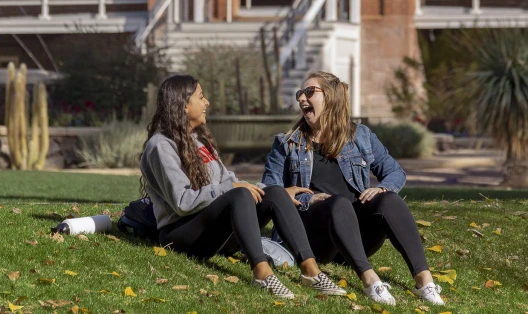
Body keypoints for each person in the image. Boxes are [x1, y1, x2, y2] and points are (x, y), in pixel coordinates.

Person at [139, 74, 345, 299]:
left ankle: (310, 271)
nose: (207, 102)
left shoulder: (199, 140)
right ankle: (262, 273)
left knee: (274, 192)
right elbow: (182, 203)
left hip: (213, 228)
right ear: (184, 105)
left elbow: (228, 180)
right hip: (181, 234)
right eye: (201, 97)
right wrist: (232, 189)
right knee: (238, 195)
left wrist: (268, 193)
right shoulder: (160, 146)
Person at [262, 71, 444, 306]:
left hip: (356, 237)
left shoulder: (361, 136)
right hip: (313, 236)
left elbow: (395, 172)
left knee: (389, 199)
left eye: (309, 92)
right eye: (300, 94)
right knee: (337, 202)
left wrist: (382, 189)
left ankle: (424, 282)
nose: (301, 99)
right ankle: (370, 280)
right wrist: (310, 200)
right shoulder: (286, 143)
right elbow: (271, 193)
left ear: (331, 97)